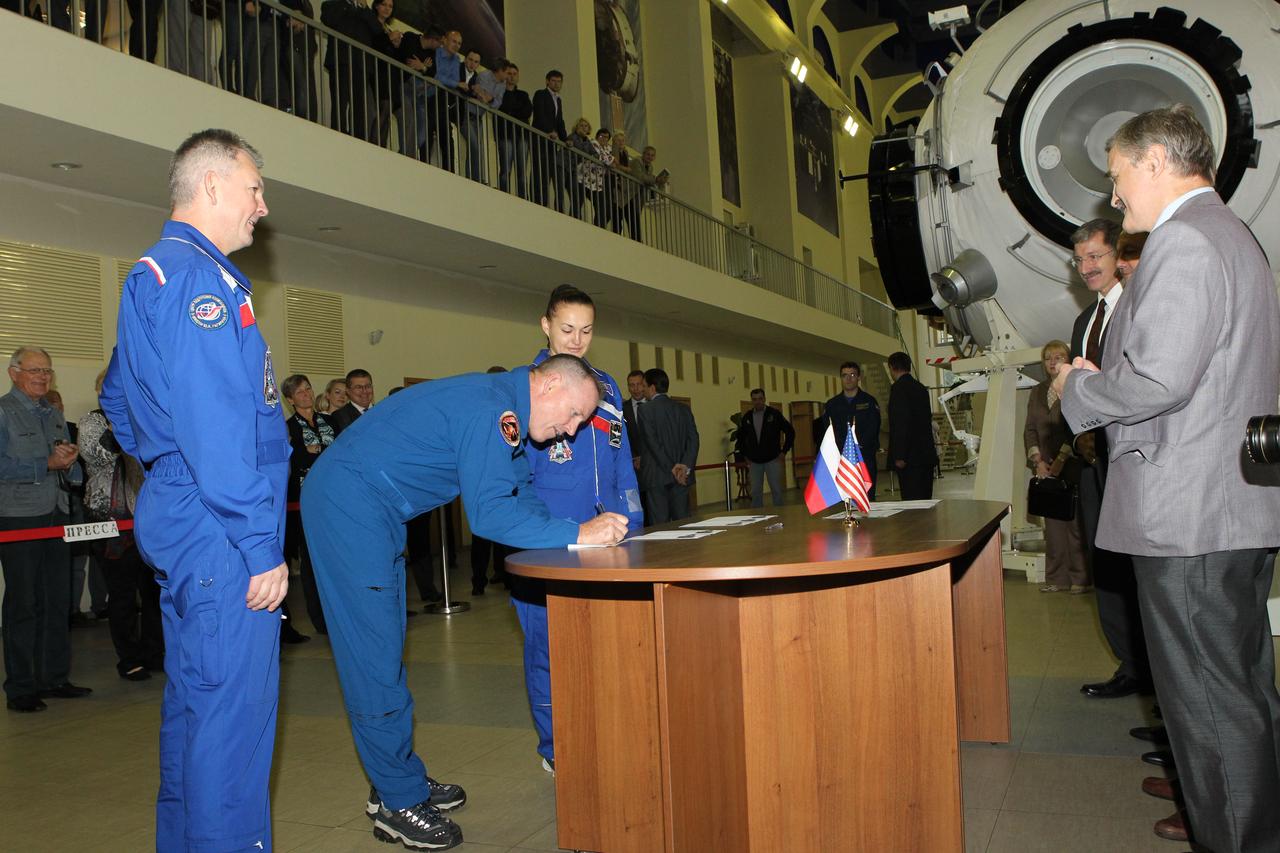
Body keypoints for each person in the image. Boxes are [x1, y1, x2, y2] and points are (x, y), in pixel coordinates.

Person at [1055, 104, 1280, 852]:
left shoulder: (1184, 243)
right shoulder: (1232, 235)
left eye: (1118, 178)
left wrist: (1077, 391)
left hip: (1190, 515)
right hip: (1228, 508)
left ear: (1155, 161)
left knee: (1211, 707)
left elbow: (1158, 381)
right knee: (1241, 695)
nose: (1115, 199)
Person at [300, 355, 629, 850]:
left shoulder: (508, 415)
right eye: (576, 414)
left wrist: (574, 539)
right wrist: (577, 533)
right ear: (552, 383)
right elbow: (490, 515)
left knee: (385, 646)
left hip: (374, 506)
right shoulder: (492, 412)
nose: (572, 430)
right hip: (350, 504)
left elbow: (521, 494)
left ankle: (397, 776)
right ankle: (396, 800)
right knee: (374, 655)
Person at [100, 129, 288, 851]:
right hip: (219, 525)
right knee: (231, 725)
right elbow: (216, 426)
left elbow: (120, 395)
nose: (262, 207)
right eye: (254, 187)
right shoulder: (200, 282)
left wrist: (163, 464)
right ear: (211, 187)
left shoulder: (154, 275)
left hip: (185, 509)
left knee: (194, 711)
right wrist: (256, 540)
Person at [519, 286, 644, 773]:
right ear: (545, 325)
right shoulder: (528, 388)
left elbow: (622, 466)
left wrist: (635, 528)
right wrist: (547, 534)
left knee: (609, 643)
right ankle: (555, 746)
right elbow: (516, 482)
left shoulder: (607, 389)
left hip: (611, 541)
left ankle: (605, 728)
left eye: (587, 331)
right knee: (548, 649)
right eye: (567, 329)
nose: (577, 340)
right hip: (553, 545)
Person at [1068, 220, 1153, 699]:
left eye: (1095, 257)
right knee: (1107, 566)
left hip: (1134, 459)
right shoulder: (1085, 322)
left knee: (1142, 568)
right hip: (1093, 462)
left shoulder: (1140, 307)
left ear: (1118, 256)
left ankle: (1158, 676)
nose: (1086, 268)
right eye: (1079, 260)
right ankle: (1132, 666)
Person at [1, 346, 90, 713]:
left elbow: (70, 470)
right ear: (13, 373)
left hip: (58, 515)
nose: (42, 377)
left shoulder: (53, 415)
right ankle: (21, 686)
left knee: (58, 600)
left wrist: (69, 464)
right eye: (35, 370)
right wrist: (47, 464)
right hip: (19, 519)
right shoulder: (4, 413)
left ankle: (54, 678)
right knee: (24, 603)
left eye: (47, 371)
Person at [79, 370, 164, 681]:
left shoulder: (140, 418)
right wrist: (122, 425)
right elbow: (97, 453)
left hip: (145, 516)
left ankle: (155, 653)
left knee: (154, 590)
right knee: (123, 593)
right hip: (109, 520)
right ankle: (129, 658)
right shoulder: (93, 421)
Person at [1023, 341, 1089, 594]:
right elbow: (1030, 429)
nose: (1052, 362)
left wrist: (1061, 459)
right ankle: (1057, 578)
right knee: (1053, 529)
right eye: (1048, 358)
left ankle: (1080, 578)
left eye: (1058, 357)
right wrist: (1037, 460)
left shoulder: (1075, 387)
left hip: (1072, 466)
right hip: (1044, 469)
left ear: (1068, 360)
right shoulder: (1037, 392)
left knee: (1074, 527)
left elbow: (1079, 426)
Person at [282, 374, 334, 635]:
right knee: (311, 559)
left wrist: (316, 453)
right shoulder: (289, 427)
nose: (306, 394)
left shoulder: (329, 421)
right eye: (299, 392)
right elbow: (297, 459)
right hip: (305, 501)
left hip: (334, 498)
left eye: (307, 389)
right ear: (290, 400)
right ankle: (320, 618)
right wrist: (310, 453)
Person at [636, 367, 699, 523]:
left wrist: (672, 467)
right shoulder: (684, 409)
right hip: (682, 476)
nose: (642, 390)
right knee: (683, 523)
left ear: (652, 387)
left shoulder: (645, 410)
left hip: (657, 476)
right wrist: (684, 466)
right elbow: (694, 440)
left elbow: (652, 443)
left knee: (660, 526)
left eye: (644, 386)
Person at [818, 361, 881, 500]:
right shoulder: (832, 404)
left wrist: (858, 447)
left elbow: (874, 427)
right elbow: (828, 430)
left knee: (866, 497)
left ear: (859, 377)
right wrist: (841, 449)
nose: (848, 379)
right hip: (841, 459)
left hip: (864, 457)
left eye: (852, 375)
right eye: (844, 375)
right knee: (845, 498)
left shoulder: (869, 401)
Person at [887, 351, 937, 500]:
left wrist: (900, 455)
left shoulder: (898, 389)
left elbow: (901, 423)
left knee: (911, 501)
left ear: (892, 368)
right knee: (925, 498)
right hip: (925, 454)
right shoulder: (921, 388)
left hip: (909, 458)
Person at [735, 388, 794, 507]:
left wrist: (784, 451)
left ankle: (781, 516)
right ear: (752, 400)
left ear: (764, 399)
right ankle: (758, 518)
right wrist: (745, 455)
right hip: (754, 462)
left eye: (760, 399)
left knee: (776, 490)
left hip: (773, 459)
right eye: (754, 399)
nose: (757, 402)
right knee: (756, 492)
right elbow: (740, 438)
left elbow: (790, 432)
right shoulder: (747, 417)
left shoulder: (774, 414)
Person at [531, 70, 568, 210]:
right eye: (554, 81)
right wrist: (549, 131)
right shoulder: (540, 94)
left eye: (559, 81)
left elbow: (560, 122)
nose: (556, 84)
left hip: (551, 143)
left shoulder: (558, 99)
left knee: (551, 172)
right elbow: (539, 115)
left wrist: (565, 139)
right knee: (541, 172)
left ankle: (551, 204)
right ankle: (540, 202)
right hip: (540, 139)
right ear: (547, 81)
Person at [497, 62, 532, 197]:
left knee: (522, 172)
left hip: (521, 136)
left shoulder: (523, 94)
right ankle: (504, 196)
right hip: (505, 135)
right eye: (509, 74)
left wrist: (512, 111)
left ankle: (523, 198)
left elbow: (527, 111)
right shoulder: (499, 92)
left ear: (518, 77)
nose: (511, 77)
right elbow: (504, 108)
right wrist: (515, 110)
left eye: (514, 74)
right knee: (505, 170)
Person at [330, 368, 373, 433]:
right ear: (348, 391)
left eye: (368, 386)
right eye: (358, 387)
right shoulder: (339, 417)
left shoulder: (382, 411)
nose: (364, 391)